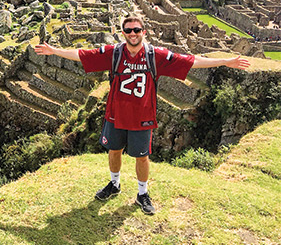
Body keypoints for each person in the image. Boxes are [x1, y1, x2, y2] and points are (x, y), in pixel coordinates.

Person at [34, 16, 250, 215]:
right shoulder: (115, 53)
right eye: (128, 30)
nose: (133, 33)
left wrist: (224, 61)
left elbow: (191, 60)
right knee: (114, 150)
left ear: (144, 32)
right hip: (115, 114)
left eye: (136, 30)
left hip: (142, 116)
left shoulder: (155, 55)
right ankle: (114, 184)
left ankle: (142, 193)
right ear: (123, 32)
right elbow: (83, 54)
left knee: (142, 156)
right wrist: (55, 50)